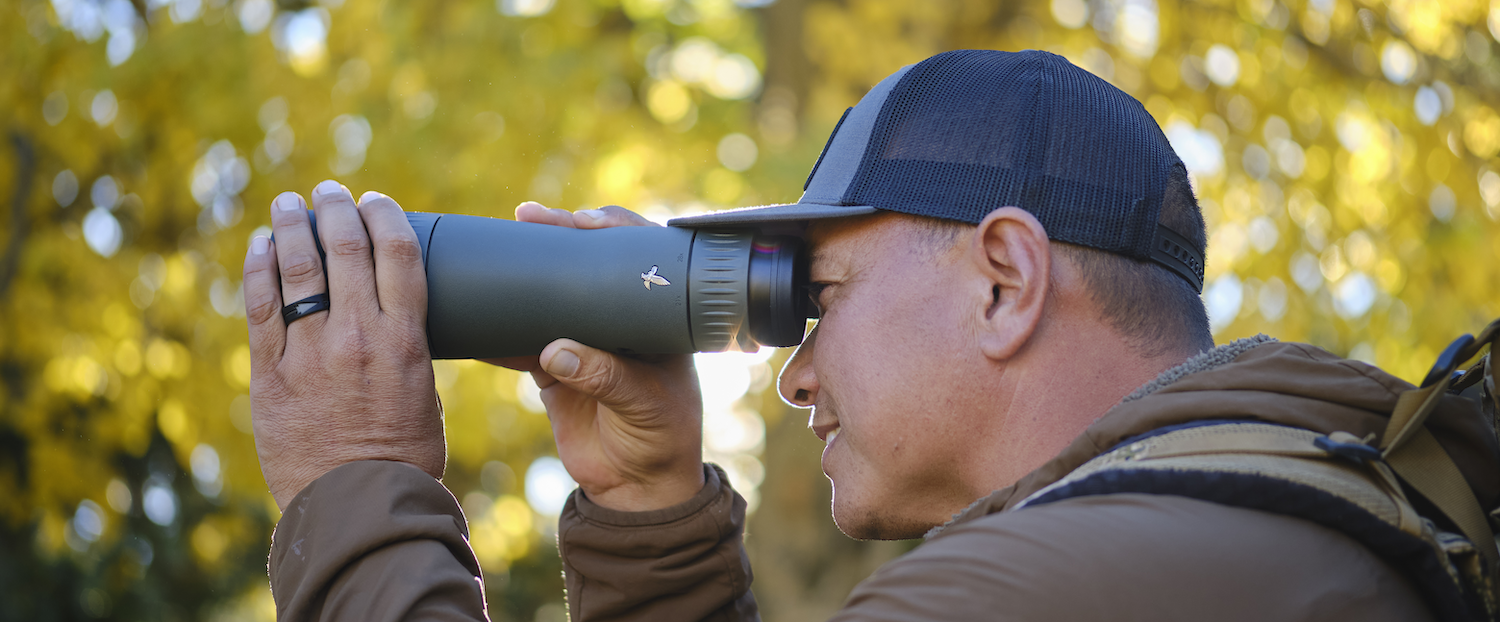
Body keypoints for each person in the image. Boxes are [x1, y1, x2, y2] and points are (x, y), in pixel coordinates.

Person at [244, 50, 1495, 621]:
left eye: (819, 294)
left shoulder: (1048, 588)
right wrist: (648, 512)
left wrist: (356, 489)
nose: (790, 373)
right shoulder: (1263, 524)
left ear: (1004, 278)